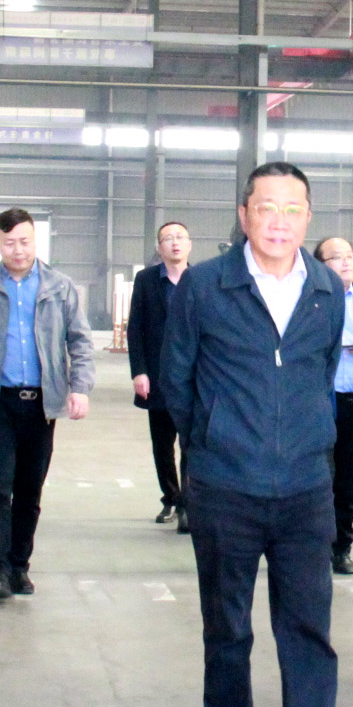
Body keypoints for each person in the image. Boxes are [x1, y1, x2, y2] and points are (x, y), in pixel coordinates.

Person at [161, 162, 353, 707]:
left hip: (305, 487)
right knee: (228, 627)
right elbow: (177, 379)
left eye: (292, 208)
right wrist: (213, 440)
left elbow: (321, 373)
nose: (279, 220)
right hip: (225, 486)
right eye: (266, 207)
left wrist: (302, 438)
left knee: (309, 631)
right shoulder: (206, 285)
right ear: (244, 214)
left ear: (308, 217)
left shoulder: (327, 290)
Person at [0, 207, 94, 601]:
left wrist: (79, 387)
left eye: (24, 241)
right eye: (9, 242)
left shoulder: (59, 287)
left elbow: (80, 341)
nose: (18, 250)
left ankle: (19, 565)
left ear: (35, 240)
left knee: (29, 491)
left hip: (42, 404)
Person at [315, 236, 353, 576]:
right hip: (320, 406)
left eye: (350, 256)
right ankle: (315, 547)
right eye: (337, 257)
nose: (346, 262)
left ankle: (341, 548)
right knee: (320, 480)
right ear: (320, 265)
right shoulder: (311, 299)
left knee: (349, 484)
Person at [128, 220, 192, 531]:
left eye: (180, 237)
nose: (175, 242)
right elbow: (136, 328)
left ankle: (188, 505)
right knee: (163, 445)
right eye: (168, 238)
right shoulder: (146, 280)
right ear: (159, 247)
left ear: (189, 244)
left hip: (193, 378)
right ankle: (171, 497)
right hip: (158, 376)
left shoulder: (201, 279)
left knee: (191, 444)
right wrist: (139, 371)